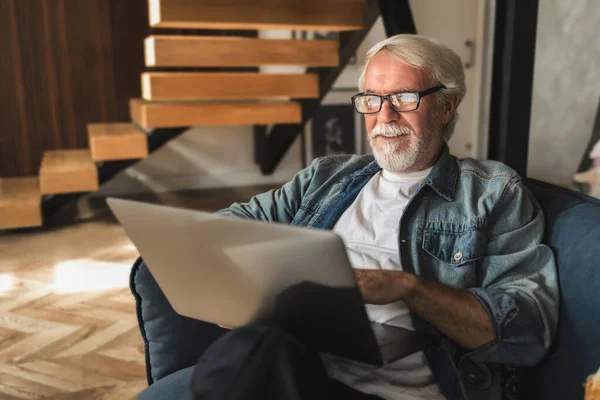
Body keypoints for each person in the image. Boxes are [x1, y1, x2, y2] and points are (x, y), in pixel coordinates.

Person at [138, 34, 559, 400]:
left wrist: (407, 288)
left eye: (403, 98)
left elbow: (526, 326)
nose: (384, 117)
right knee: (254, 345)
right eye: (372, 100)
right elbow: (224, 229)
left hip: (405, 390)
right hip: (304, 371)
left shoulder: (492, 193)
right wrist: (241, 293)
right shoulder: (326, 177)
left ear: (447, 106)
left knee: (249, 360)